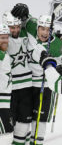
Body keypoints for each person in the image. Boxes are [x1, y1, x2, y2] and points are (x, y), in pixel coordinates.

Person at [11, 3, 62, 145]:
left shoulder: (57, 46)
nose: (44, 33)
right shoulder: (31, 25)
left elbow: (59, 68)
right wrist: (23, 12)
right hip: (25, 82)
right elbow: (25, 19)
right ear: (37, 27)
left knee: (40, 120)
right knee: (22, 121)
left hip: (43, 85)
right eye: (42, 29)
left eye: (48, 30)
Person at [2, 11, 33, 145]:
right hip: (10, 91)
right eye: (12, 27)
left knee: (24, 126)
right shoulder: (3, 39)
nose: (15, 30)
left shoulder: (26, 35)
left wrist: (29, 16)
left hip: (27, 88)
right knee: (9, 128)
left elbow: (38, 28)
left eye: (18, 26)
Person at [0, 23, 13, 144]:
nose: (5, 40)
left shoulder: (5, 54)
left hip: (5, 102)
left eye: (6, 37)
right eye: (2, 37)